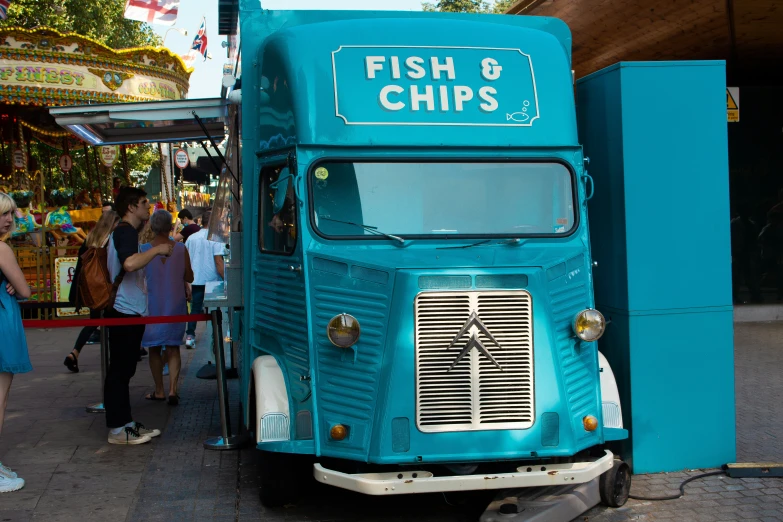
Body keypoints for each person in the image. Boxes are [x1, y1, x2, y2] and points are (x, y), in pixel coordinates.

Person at [104, 187, 172, 445]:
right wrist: (157, 250)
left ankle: (126, 423)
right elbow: (130, 263)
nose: (148, 206)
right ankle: (118, 429)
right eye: (144, 202)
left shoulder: (126, 233)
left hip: (129, 310)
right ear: (131, 207)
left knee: (125, 369)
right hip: (123, 310)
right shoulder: (124, 232)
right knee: (120, 371)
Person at [141, 210, 193, 405]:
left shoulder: (144, 249)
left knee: (154, 349)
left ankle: (159, 390)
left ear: (152, 227)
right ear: (171, 226)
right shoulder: (180, 249)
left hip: (152, 305)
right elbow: (190, 276)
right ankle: (173, 389)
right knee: (173, 347)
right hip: (175, 303)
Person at [0, 192, 32, 493]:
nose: (9, 219)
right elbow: (25, 289)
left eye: (10, 213)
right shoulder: (1, 249)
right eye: (3, 214)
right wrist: (20, 286)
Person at [64, 210, 120, 373]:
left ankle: (74, 352)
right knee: (112, 322)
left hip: (90, 287)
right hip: (106, 288)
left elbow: (80, 264)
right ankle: (114, 360)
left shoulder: (90, 237)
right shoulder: (110, 240)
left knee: (93, 320)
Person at [184, 210, 225, 348]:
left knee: (195, 308)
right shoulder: (216, 238)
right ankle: (216, 336)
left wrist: (186, 281)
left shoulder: (191, 238)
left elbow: (186, 261)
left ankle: (190, 335)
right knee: (215, 310)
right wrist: (226, 280)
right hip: (212, 281)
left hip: (195, 279)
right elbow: (219, 262)